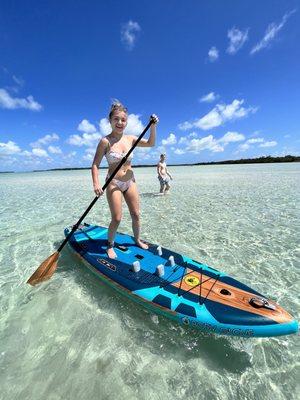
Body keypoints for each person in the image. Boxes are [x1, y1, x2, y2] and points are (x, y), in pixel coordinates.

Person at [91, 100, 159, 259]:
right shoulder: (105, 141)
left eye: (123, 120)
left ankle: (136, 240)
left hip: (130, 181)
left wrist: (153, 126)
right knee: (117, 218)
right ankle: (109, 245)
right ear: (110, 121)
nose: (120, 122)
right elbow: (95, 165)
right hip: (113, 183)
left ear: (126, 122)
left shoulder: (130, 139)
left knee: (136, 214)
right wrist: (96, 184)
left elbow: (151, 143)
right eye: (116, 119)